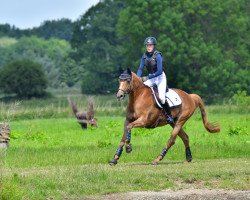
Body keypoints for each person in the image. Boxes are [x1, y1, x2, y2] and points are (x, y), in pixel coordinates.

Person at [136, 36, 174, 124]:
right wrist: (138, 78)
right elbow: (140, 68)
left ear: (154, 46)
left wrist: (148, 77)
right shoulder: (144, 56)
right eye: (147, 45)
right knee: (142, 91)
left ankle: (169, 116)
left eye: (150, 45)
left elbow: (160, 71)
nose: (148, 47)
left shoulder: (158, 55)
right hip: (151, 78)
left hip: (160, 78)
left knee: (161, 98)